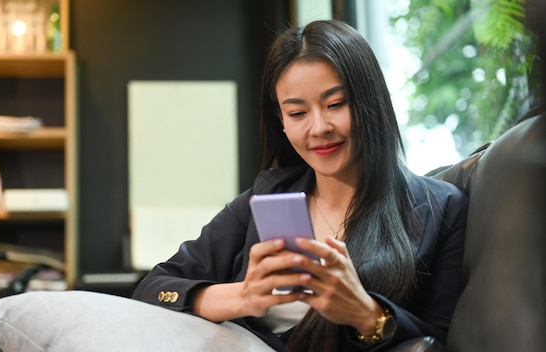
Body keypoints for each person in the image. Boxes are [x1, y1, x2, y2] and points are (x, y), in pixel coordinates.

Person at [132, 19, 468, 351]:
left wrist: (366, 314)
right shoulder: (266, 196)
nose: (319, 127)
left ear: (371, 102)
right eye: (297, 114)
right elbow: (154, 287)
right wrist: (243, 297)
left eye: (335, 104)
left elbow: (436, 341)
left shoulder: (440, 208)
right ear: (281, 120)